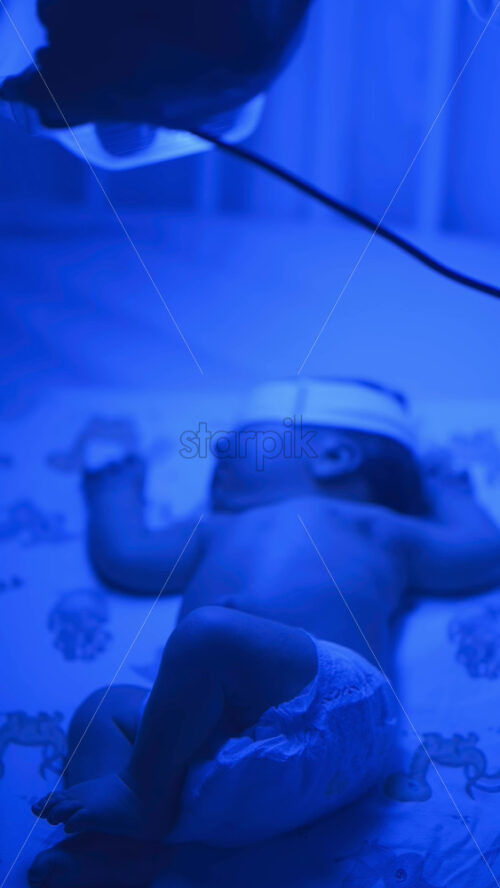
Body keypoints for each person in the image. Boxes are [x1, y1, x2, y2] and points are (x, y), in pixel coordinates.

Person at [29, 379, 500, 888]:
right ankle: (110, 851)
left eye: (242, 439)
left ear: (334, 457)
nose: (219, 447)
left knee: (208, 635)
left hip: (325, 707)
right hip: (199, 741)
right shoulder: (212, 526)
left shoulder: (374, 526)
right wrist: (114, 496)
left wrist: (448, 491)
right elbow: (129, 557)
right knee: (100, 710)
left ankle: (138, 792)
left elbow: (480, 551)